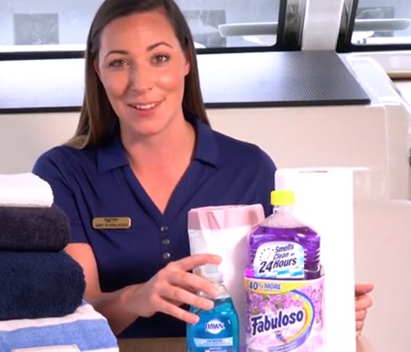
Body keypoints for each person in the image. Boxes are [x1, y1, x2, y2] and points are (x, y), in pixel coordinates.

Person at [32, 0, 374, 339]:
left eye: (159, 58)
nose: (140, 82)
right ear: (97, 70)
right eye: (119, 62)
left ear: (186, 60)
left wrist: (323, 307)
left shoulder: (251, 169)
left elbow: (277, 301)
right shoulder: (62, 174)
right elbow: (71, 317)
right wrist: (135, 298)